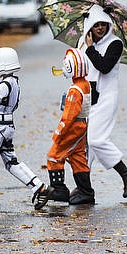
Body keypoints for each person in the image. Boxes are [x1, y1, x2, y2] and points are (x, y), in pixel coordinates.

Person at [0, 47, 49, 211]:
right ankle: (39, 187)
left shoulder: (5, 83)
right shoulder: (13, 81)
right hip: (6, 126)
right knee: (11, 163)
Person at [78, 4, 127, 198]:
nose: (100, 28)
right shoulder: (83, 43)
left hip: (106, 98)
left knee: (96, 140)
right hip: (86, 97)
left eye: (104, 24)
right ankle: (84, 189)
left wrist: (89, 49)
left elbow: (104, 66)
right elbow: (80, 67)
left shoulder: (115, 44)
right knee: (85, 146)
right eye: (96, 25)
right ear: (90, 26)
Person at [46, 48, 94, 205]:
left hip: (73, 127)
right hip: (82, 125)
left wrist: (58, 133)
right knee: (77, 157)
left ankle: (59, 190)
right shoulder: (85, 84)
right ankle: (86, 191)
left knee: (54, 155)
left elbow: (68, 116)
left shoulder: (74, 90)